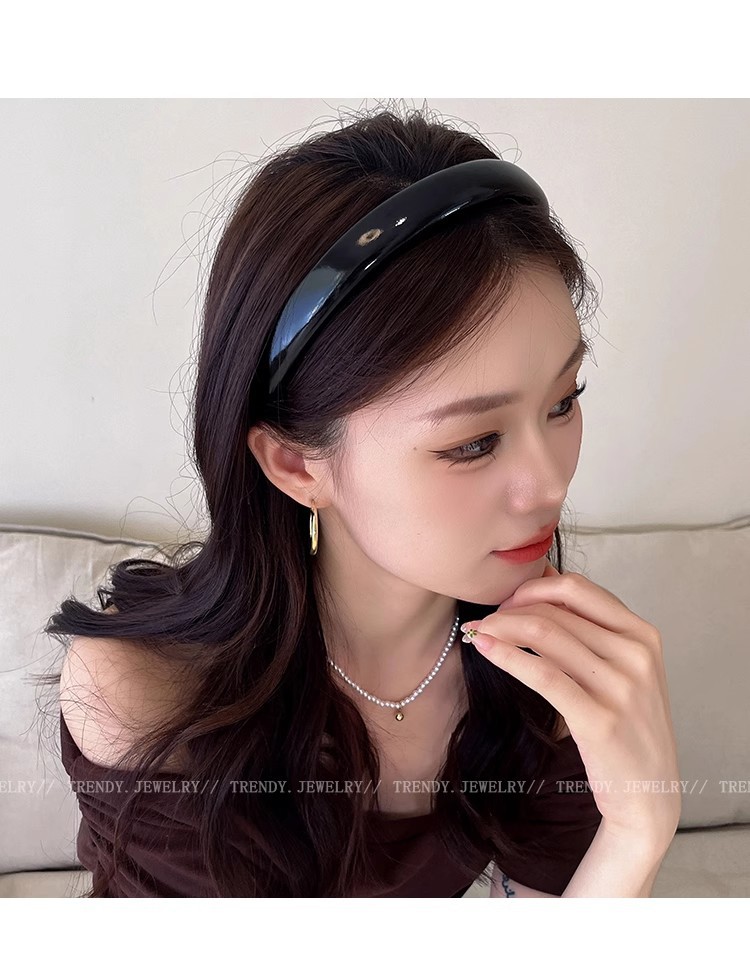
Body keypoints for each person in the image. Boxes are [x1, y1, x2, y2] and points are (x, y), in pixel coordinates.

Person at [49, 105, 609, 898]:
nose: (550, 482)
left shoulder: (541, 669)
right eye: (473, 443)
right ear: (294, 463)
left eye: (563, 402)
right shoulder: (149, 694)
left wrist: (639, 823)